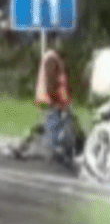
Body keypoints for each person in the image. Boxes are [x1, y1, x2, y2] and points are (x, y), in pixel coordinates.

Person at [30, 34, 76, 166]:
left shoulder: (53, 57)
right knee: (53, 123)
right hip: (52, 98)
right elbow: (51, 81)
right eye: (59, 42)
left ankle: (56, 148)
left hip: (54, 98)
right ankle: (53, 150)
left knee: (54, 122)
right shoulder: (52, 58)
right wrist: (55, 99)